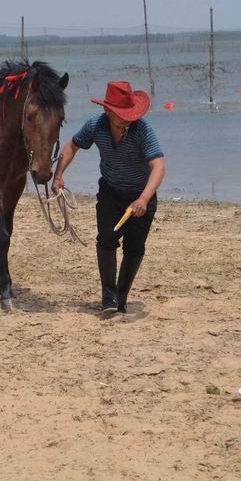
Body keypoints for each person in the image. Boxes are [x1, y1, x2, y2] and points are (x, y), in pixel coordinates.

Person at [52, 81, 165, 314]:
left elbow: (158, 167)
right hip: (111, 193)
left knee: (134, 248)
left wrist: (143, 199)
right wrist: (58, 175)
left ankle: (122, 297)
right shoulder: (96, 126)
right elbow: (72, 146)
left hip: (141, 196)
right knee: (106, 239)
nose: (127, 118)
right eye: (121, 114)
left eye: (130, 113)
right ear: (107, 111)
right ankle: (108, 296)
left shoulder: (142, 130)